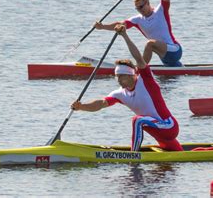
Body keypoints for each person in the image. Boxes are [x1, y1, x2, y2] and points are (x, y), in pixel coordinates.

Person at [71, 24, 183, 152]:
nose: (118, 80)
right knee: (179, 153)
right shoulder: (120, 94)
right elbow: (100, 104)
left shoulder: (145, 80)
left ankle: (133, 155)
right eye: (117, 76)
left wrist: (124, 35)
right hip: (157, 131)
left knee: (137, 120)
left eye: (122, 76)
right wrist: (81, 107)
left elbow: (138, 58)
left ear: (132, 75)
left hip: (169, 127)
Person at [94, 0, 183, 67]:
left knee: (150, 44)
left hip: (175, 50)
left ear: (148, 3)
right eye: (137, 8)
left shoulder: (161, 10)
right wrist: (102, 27)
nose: (140, 10)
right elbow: (120, 24)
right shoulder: (137, 20)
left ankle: (141, 68)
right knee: (173, 76)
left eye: (141, 6)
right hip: (164, 56)